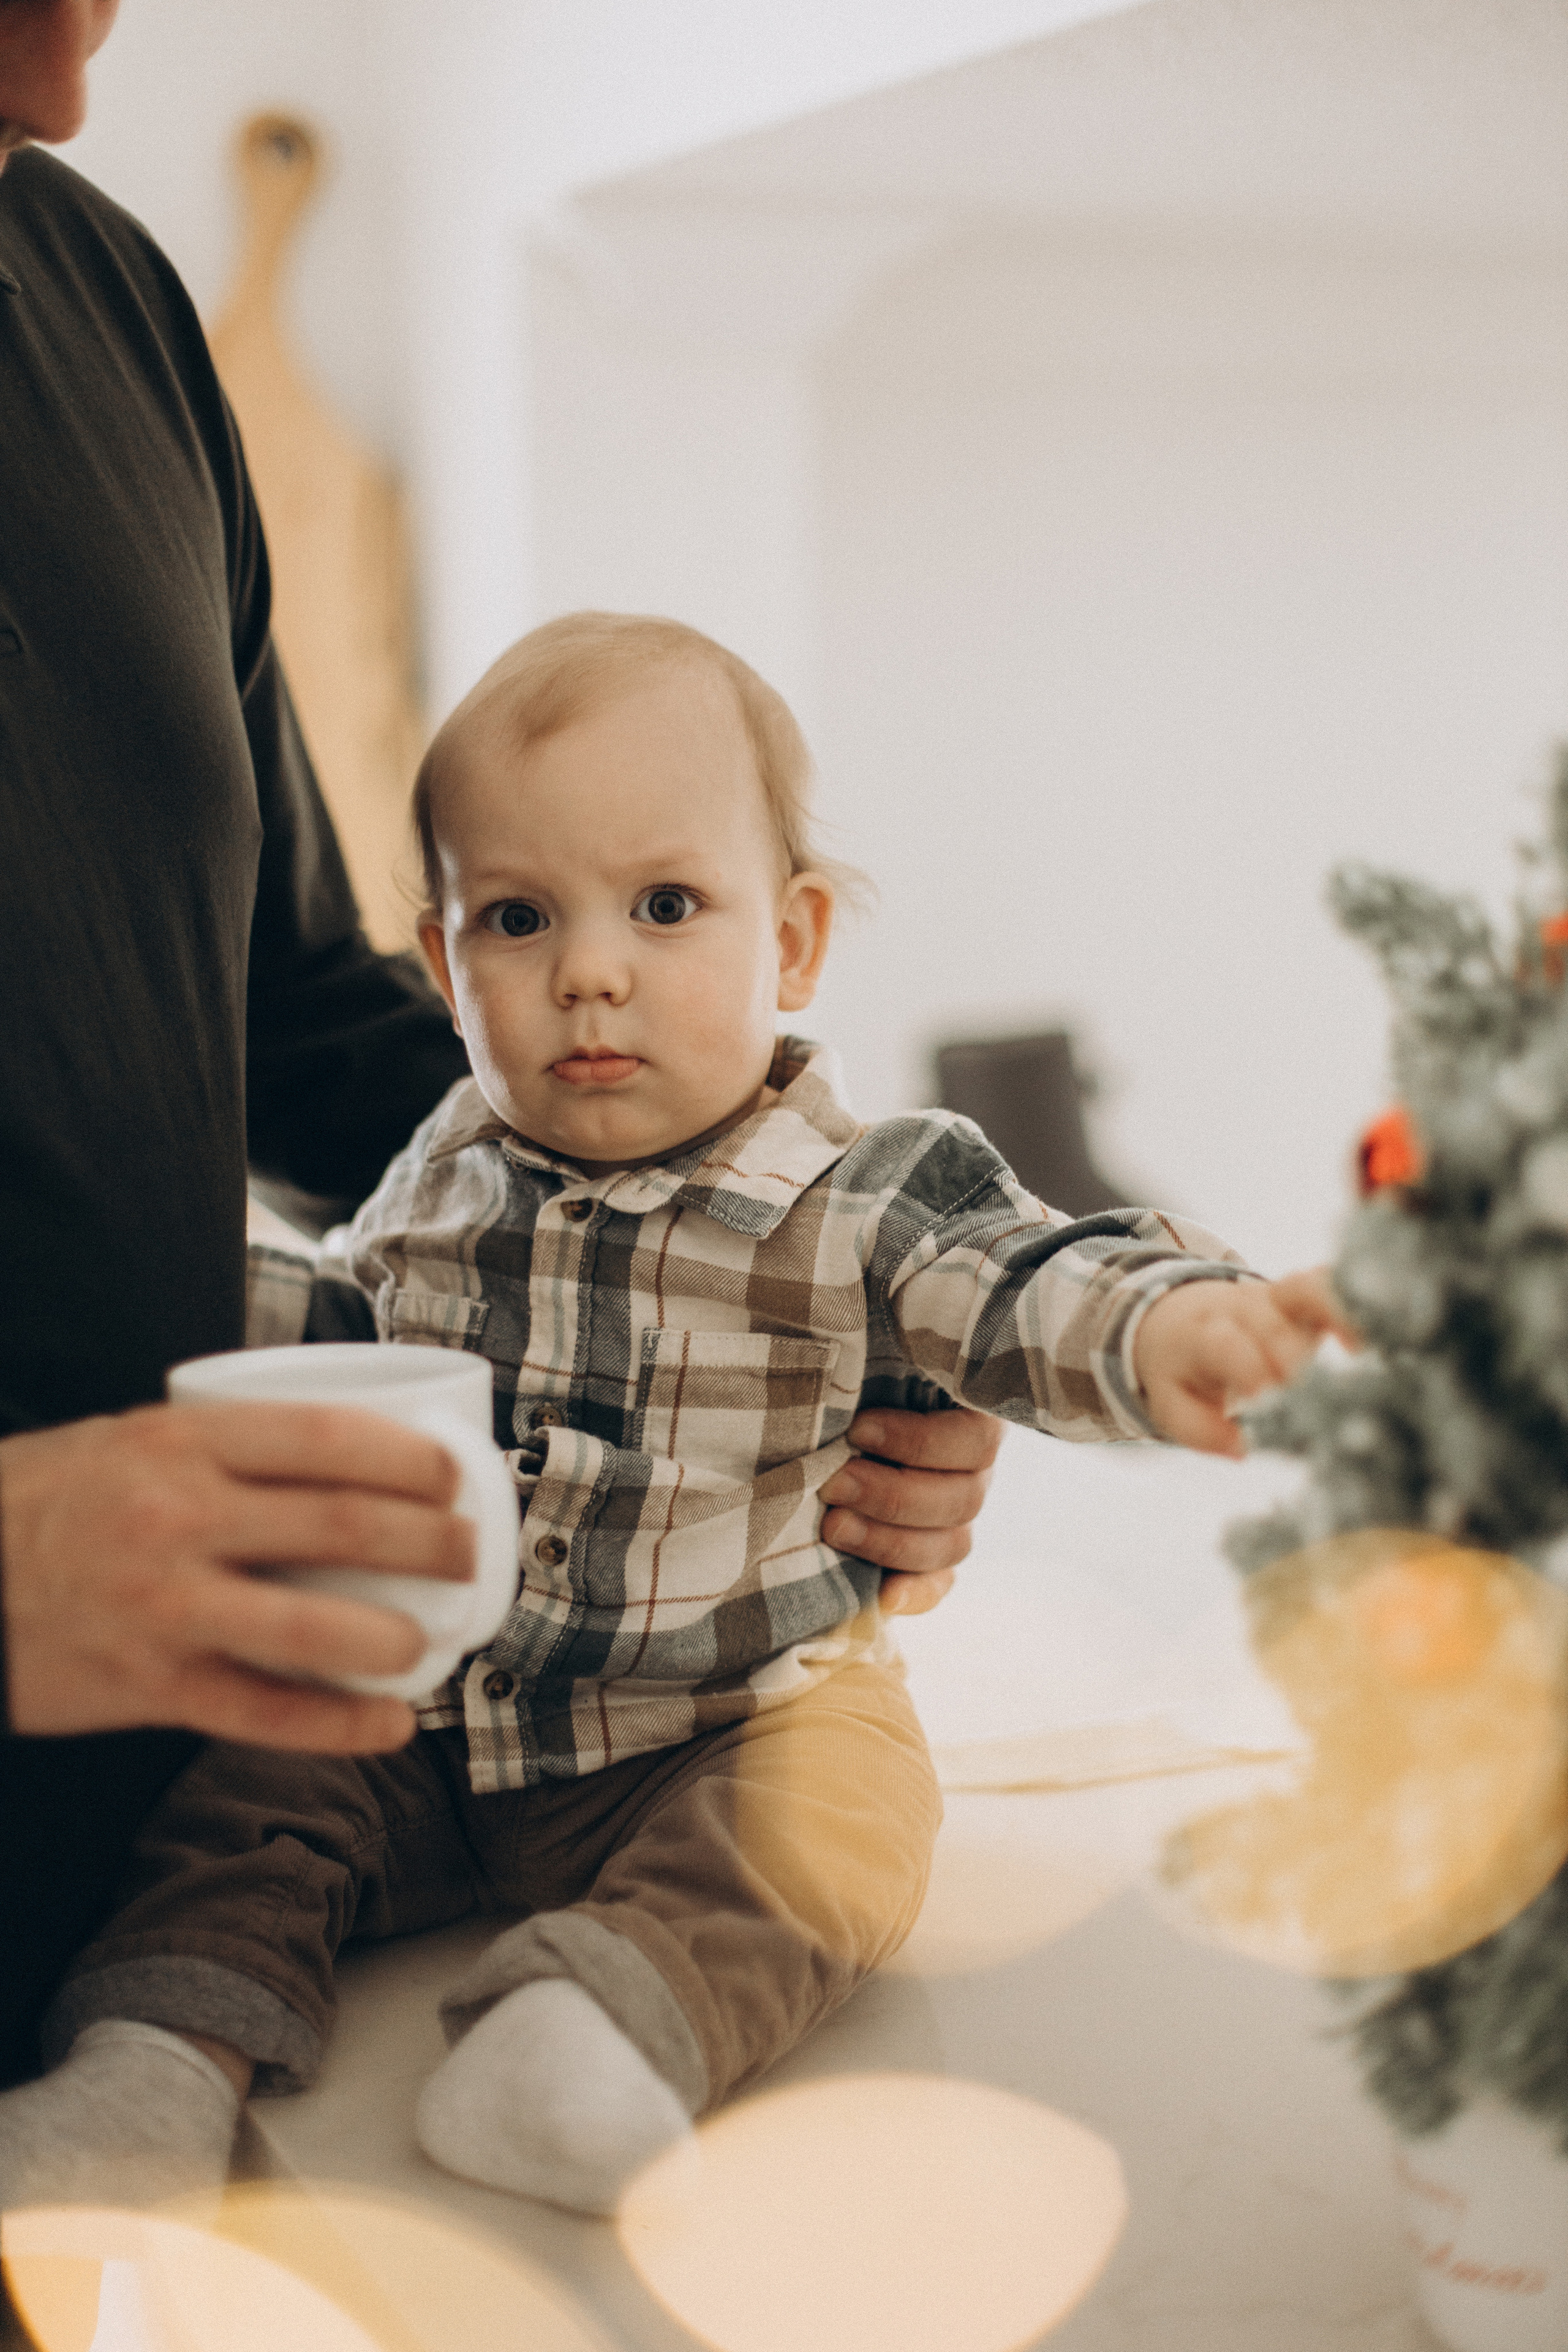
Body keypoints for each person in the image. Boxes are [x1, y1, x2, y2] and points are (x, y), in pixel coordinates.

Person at [0, 614, 1348, 2219]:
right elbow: (342, 1324)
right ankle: (156, 2071)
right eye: (517, 918)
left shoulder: (866, 1195)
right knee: (251, 1783)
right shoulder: (439, 1173)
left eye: (662, 906)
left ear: (794, 942)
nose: (589, 971)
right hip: (431, 1730)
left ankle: (594, 2036)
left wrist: (1178, 1324)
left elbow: (1029, 1280)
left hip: (724, 1723)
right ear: (443, 967)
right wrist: (170, 1310)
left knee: (847, 1812)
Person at [0, 5, 999, 2110]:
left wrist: (761, 1287)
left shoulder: (98, 295)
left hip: (188, 1896)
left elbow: (287, 1000)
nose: (68, 80)